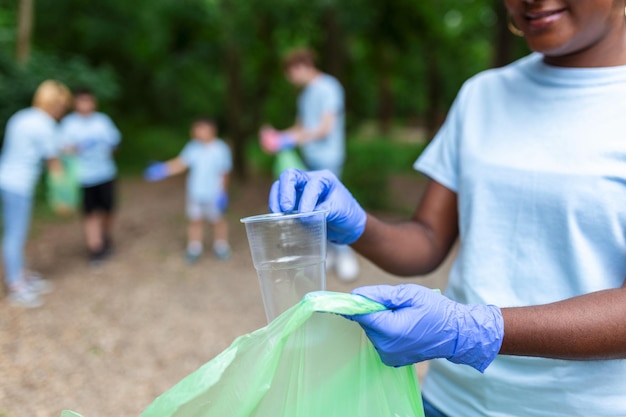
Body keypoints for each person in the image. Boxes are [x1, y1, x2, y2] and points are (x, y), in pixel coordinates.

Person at [269, 2, 626, 416]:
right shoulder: (482, 94)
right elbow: (429, 238)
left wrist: (471, 330)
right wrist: (357, 224)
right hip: (448, 401)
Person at [260, 47, 359, 282]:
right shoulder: (304, 95)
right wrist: (277, 137)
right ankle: (330, 253)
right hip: (310, 159)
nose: (291, 79)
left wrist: (289, 138)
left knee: (330, 209)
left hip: (329, 159)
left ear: (301, 66)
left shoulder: (329, 87)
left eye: (291, 73)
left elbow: (325, 128)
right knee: (313, 209)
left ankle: (346, 255)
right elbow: (300, 128)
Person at [0, 80, 71, 308]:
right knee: (15, 234)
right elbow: (55, 164)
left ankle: (23, 275)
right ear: (54, 103)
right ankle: (16, 285)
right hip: (19, 184)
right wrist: (64, 197)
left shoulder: (22, 117)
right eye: (62, 106)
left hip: (6, 178)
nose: (62, 111)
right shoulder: (45, 124)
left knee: (17, 232)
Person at [144, 118, 232, 264]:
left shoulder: (221, 148)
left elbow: (225, 171)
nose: (196, 132)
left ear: (211, 130)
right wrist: (163, 169)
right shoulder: (193, 147)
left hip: (214, 193)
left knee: (218, 220)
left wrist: (223, 191)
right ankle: (194, 249)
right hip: (196, 192)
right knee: (195, 220)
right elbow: (181, 163)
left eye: (200, 129)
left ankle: (221, 246)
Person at [60, 87, 121, 265]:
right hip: (83, 177)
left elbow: (115, 142)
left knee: (109, 210)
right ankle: (95, 247)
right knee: (90, 213)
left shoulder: (103, 121)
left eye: (89, 101)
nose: (86, 105)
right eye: (82, 101)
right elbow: (61, 150)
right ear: (75, 103)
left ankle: (105, 237)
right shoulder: (68, 124)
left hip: (105, 173)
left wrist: (110, 150)